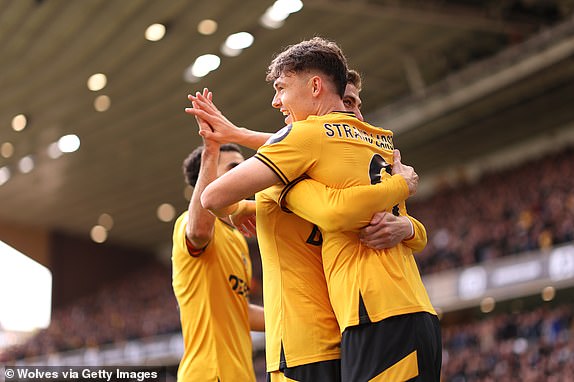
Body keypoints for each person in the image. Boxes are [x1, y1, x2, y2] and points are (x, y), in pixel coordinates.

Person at [197, 37, 441, 381]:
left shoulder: (304, 144)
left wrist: (278, 189)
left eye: (281, 87)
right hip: (364, 318)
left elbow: (213, 197)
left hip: (343, 325)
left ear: (314, 86)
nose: (276, 100)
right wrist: (409, 216)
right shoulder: (381, 141)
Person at [171, 101, 264, 381]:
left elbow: (239, 309)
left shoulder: (238, 239)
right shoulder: (188, 225)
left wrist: (292, 317)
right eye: (233, 168)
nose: (242, 175)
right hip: (208, 375)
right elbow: (198, 232)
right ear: (209, 175)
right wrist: (211, 151)